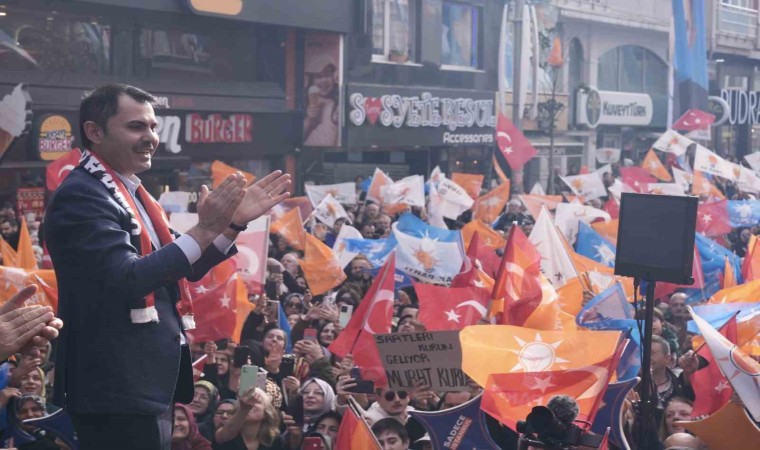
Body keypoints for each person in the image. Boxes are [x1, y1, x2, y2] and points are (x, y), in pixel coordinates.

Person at [44, 84, 291, 450]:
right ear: (94, 131)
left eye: (153, 127)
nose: (151, 137)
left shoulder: (133, 193)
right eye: (136, 127)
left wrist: (233, 224)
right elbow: (128, 278)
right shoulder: (82, 194)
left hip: (148, 388)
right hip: (114, 390)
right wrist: (204, 229)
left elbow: (183, 265)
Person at [214, 388, 287, 450]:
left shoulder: (275, 440)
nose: (251, 404)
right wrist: (244, 409)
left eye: (257, 401)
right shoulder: (225, 432)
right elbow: (227, 433)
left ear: (265, 413)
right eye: (248, 400)